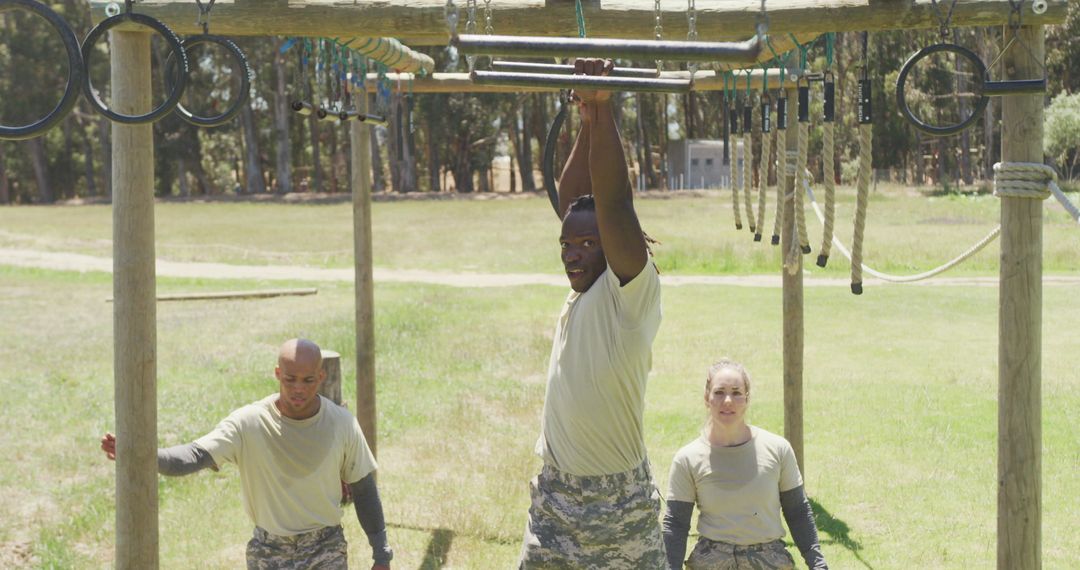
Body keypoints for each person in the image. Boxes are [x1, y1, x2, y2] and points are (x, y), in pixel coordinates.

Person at [518, 58, 666, 569]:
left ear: (614, 247)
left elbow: (615, 206)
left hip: (618, 506)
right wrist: (586, 115)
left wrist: (605, 109)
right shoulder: (583, 288)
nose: (572, 251)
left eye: (587, 242)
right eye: (567, 243)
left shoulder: (629, 294)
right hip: (554, 502)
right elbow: (576, 199)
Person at [100, 338, 393, 570]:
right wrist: (143, 455)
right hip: (269, 550)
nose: (298, 389)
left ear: (321, 376)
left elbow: (364, 490)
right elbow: (192, 456)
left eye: (307, 380)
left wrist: (382, 554)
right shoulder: (248, 422)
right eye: (290, 379)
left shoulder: (341, 424)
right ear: (277, 373)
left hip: (325, 547)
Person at [662, 359, 828, 570]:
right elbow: (676, 524)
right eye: (719, 392)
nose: (728, 400)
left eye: (736, 392)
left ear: (747, 398)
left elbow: (797, 511)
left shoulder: (778, 449)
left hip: (769, 560)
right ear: (707, 397)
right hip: (712, 561)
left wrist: (818, 563)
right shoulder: (688, 458)